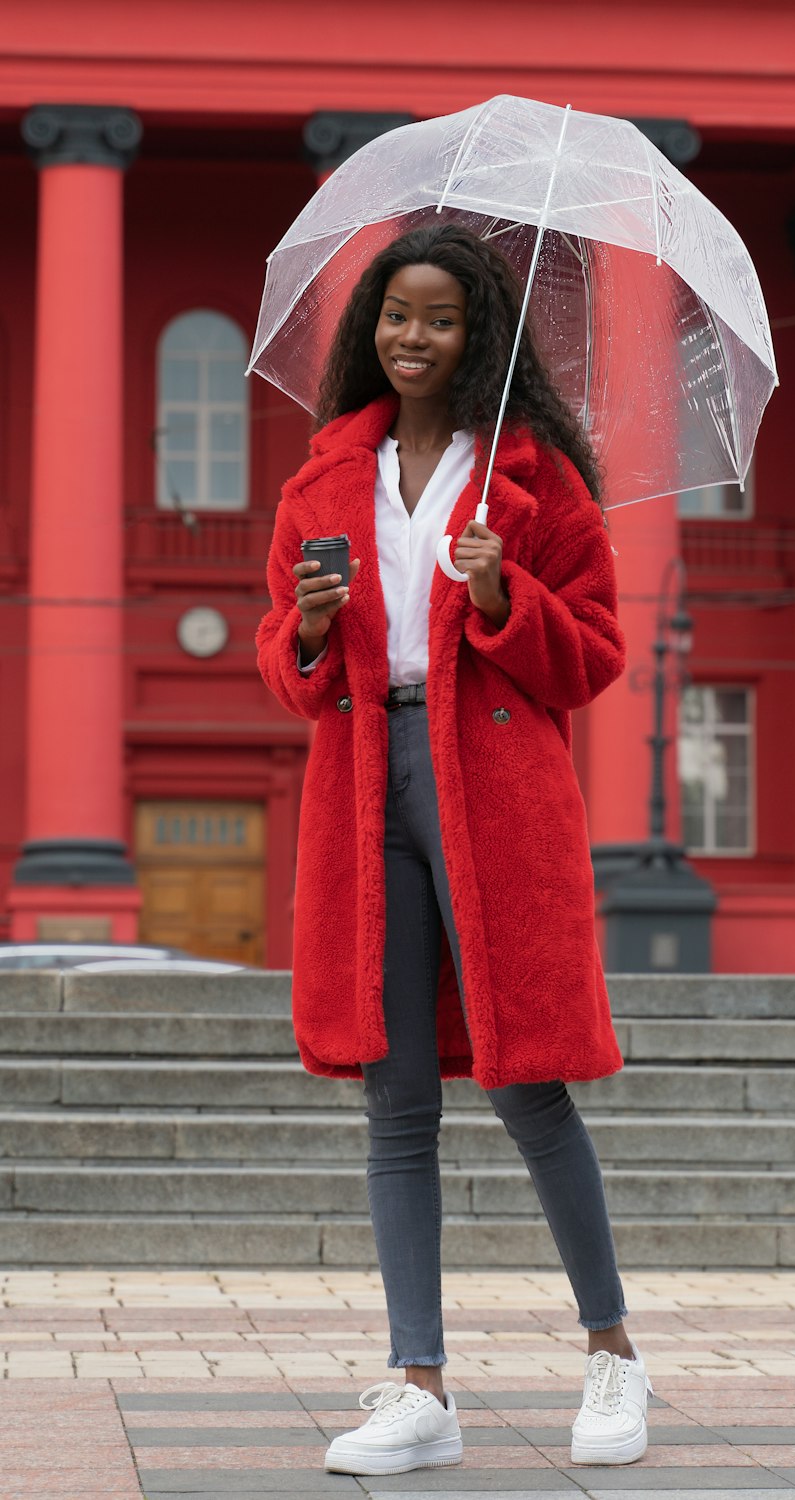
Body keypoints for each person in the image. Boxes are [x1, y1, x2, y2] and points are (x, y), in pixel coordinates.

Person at [256, 223, 650, 1477]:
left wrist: (499, 599)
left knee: (529, 1081)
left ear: (479, 333)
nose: (411, 337)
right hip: (366, 783)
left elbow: (591, 656)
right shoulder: (324, 482)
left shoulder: (533, 479)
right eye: (394, 315)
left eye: (437, 318)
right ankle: (417, 1383)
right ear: (371, 327)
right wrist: (310, 633)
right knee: (395, 1094)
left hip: (497, 791)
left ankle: (612, 1354)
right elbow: (288, 668)